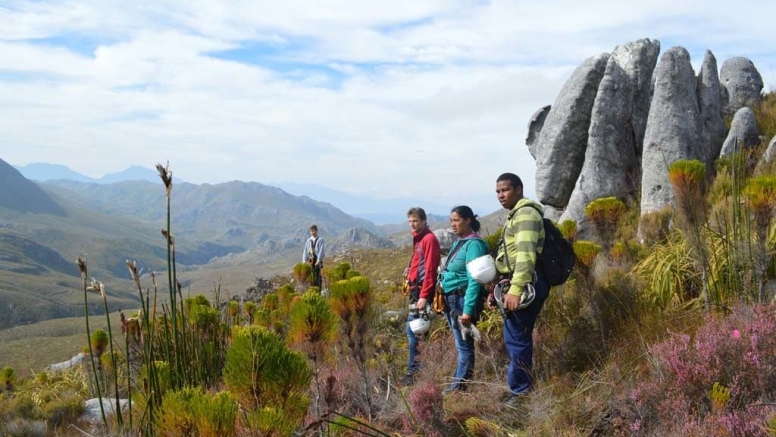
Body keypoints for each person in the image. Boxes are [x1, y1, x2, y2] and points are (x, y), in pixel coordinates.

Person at [492, 172, 550, 406]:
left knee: (517, 338)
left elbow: (525, 257)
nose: (500, 195)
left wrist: (515, 290)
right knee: (515, 337)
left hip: (526, 283)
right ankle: (518, 387)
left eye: (505, 190)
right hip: (519, 282)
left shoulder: (525, 214)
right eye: (497, 191)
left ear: (518, 189)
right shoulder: (516, 214)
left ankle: (521, 392)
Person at [439, 206, 488, 394]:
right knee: (461, 345)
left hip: (461, 300)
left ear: (468, 220)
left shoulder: (473, 244)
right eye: (451, 220)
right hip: (452, 299)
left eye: (457, 220)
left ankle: (459, 388)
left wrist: (467, 310)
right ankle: (459, 382)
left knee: (464, 346)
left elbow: (474, 279)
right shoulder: (460, 242)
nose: (453, 224)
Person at [401, 207, 441, 386]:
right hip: (415, 290)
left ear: (424, 220)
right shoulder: (418, 238)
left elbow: (431, 269)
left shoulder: (429, 239)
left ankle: (414, 370)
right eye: (410, 221)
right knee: (416, 330)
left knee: (414, 330)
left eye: (415, 221)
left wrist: (424, 295)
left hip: (421, 292)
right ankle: (418, 367)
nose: (412, 224)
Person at [302, 224, 325, 289]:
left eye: (313, 231)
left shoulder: (320, 240)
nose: (312, 232)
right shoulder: (308, 240)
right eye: (311, 231)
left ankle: (318, 290)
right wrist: (304, 261)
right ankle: (312, 289)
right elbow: (305, 250)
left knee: (318, 276)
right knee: (311, 276)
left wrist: (319, 260)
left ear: (316, 231)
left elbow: (321, 250)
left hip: (317, 261)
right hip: (310, 260)